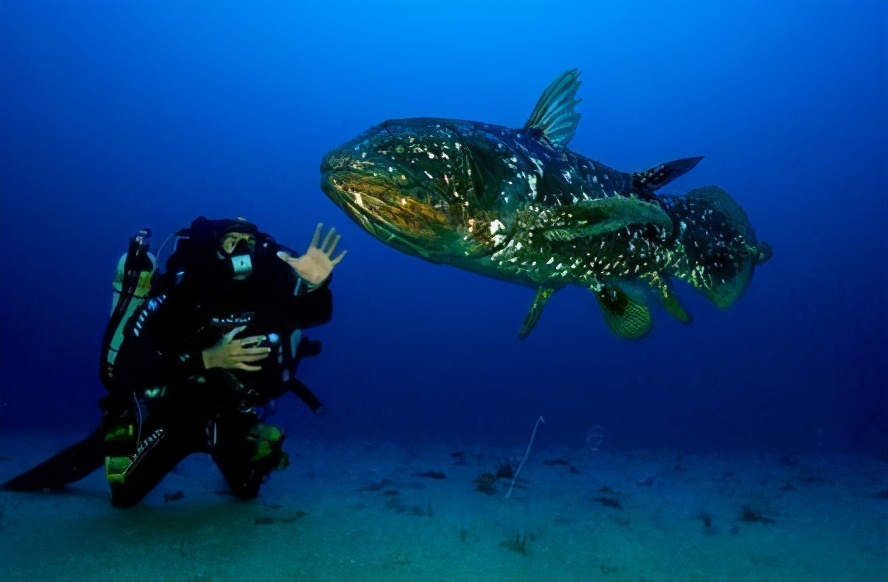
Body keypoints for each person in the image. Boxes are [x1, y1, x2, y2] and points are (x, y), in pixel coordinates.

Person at [3, 216, 346, 507]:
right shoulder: (182, 292)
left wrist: (315, 285)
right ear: (212, 247)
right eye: (231, 241)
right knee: (124, 495)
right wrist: (206, 359)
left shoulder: (266, 288)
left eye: (248, 243)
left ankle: (227, 440)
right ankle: (122, 432)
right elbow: (129, 366)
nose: (242, 250)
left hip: (228, 409)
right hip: (177, 408)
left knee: (247, 490)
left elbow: (311, 315)